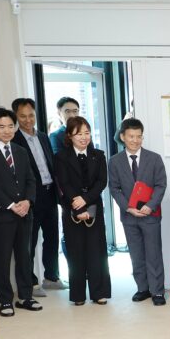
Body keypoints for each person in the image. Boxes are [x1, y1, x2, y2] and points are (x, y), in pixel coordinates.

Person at [0, 107, 41, 316]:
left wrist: (28, 202)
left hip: (25, 213)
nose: (7, 131)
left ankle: (26, 296)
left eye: (10, 126)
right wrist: (9, 204)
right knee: (2, 258)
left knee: (25, 256)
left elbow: (31, 180)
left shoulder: (20, 150)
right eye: (1, 126)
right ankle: (5, 300)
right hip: (1, 214)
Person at [107, 118, 168, 305]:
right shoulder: (114, 161)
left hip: (151, 215)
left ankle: (157, 291)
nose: (135, 140)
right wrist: (129, 208)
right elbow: (114, 188)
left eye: (139, 136)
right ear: (123, 137)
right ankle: (143, 288)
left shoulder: (154, 158)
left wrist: (150, 205)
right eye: (131, 136)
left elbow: (160, 184)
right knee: (136, 253)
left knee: (153, 253)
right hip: (129, 216)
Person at [53, 116, 111, 305]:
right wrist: (78, 205)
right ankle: (78, 295)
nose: (84, 137)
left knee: (97, 252)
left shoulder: (99, 155)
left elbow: (102, 182)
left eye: (87, 133)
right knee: (76, 253)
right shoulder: (61, 157)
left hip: (94, 207)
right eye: (79, 134)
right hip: (72, 209)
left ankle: (99, 292)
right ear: (70, 136)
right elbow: (64, 183)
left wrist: (86, 200)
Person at [11, 97, 65, 295]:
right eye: (22, 116)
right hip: (30, 197)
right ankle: (31, 283)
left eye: (31, 115)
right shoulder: (14, 140)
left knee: (52, 237)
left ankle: (51, 276)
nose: (28, 120)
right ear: (16, 117)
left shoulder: (43, 136)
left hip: (50, 193)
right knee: (29, 242)